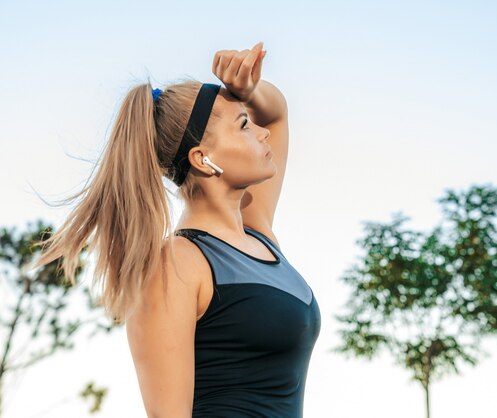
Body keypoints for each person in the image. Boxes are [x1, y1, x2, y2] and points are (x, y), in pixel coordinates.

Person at [23, 41, 321, 417]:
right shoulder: (174, 265)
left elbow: (277, 115)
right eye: (244, 124)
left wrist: (249, 91)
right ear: (203, 159)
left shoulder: (258, 234)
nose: (262, 133)